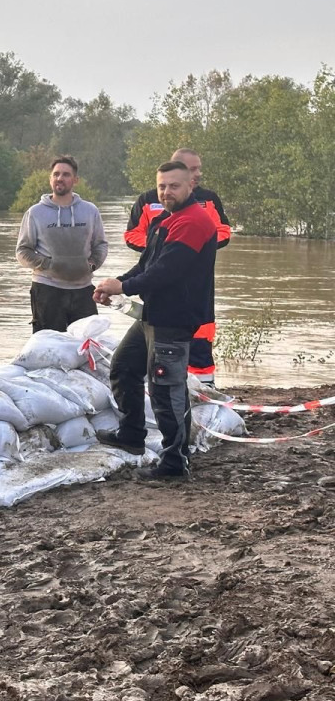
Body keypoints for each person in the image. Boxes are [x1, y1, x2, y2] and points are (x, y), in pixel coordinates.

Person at [93, 161, 218, 481]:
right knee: (123, 368)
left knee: (166, 391)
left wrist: (124, 287)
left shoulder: (194, 221)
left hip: (175, 318)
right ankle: (132, 434)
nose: (166, 192)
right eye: (162, 186)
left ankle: (175, 463)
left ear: (191, 185)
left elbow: (167, 271)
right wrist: (115, 285)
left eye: (174, 186)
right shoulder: (165, 219)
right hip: (154, 314)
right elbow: (147, 265)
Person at [124, 147, 231, 383]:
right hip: (156, 280)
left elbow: (222, 230)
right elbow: (132, 234)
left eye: (198, 169)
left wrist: (198, 247)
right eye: (193, 169)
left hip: (194, 279)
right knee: (137, 360)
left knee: (201, 336)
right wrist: (161, 247)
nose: (198, 173)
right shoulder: (148, 201)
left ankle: (204, 385)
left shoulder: (208, 200)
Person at [16, 155, 108, 332]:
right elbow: (22, 251)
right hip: (47, 288)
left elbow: (101, 244)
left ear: (75, 180)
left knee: (87, 344)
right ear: (50, 178)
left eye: (66, 174)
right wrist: (48, 264)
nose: (60, 178)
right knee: (48, 345)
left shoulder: (90, 210)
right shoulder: (35, 212)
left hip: (83, 289)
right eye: (56, 174)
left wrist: (92, 264)